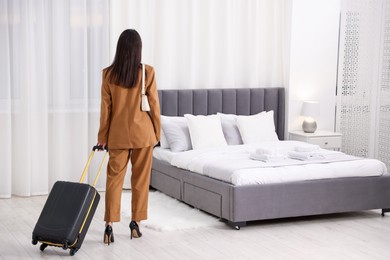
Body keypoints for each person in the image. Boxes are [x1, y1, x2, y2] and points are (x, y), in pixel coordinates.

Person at [97, 29, 160, 244]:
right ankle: (136, 224)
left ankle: (109, 225)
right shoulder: (147, 72)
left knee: (114, 180)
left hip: (117, 135)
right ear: (138, 49)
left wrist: (102, 137)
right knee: (140, 181)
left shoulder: (108, 74)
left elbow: (106, 110)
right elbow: (154, 107)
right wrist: (157, 133)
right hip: (144, 135)